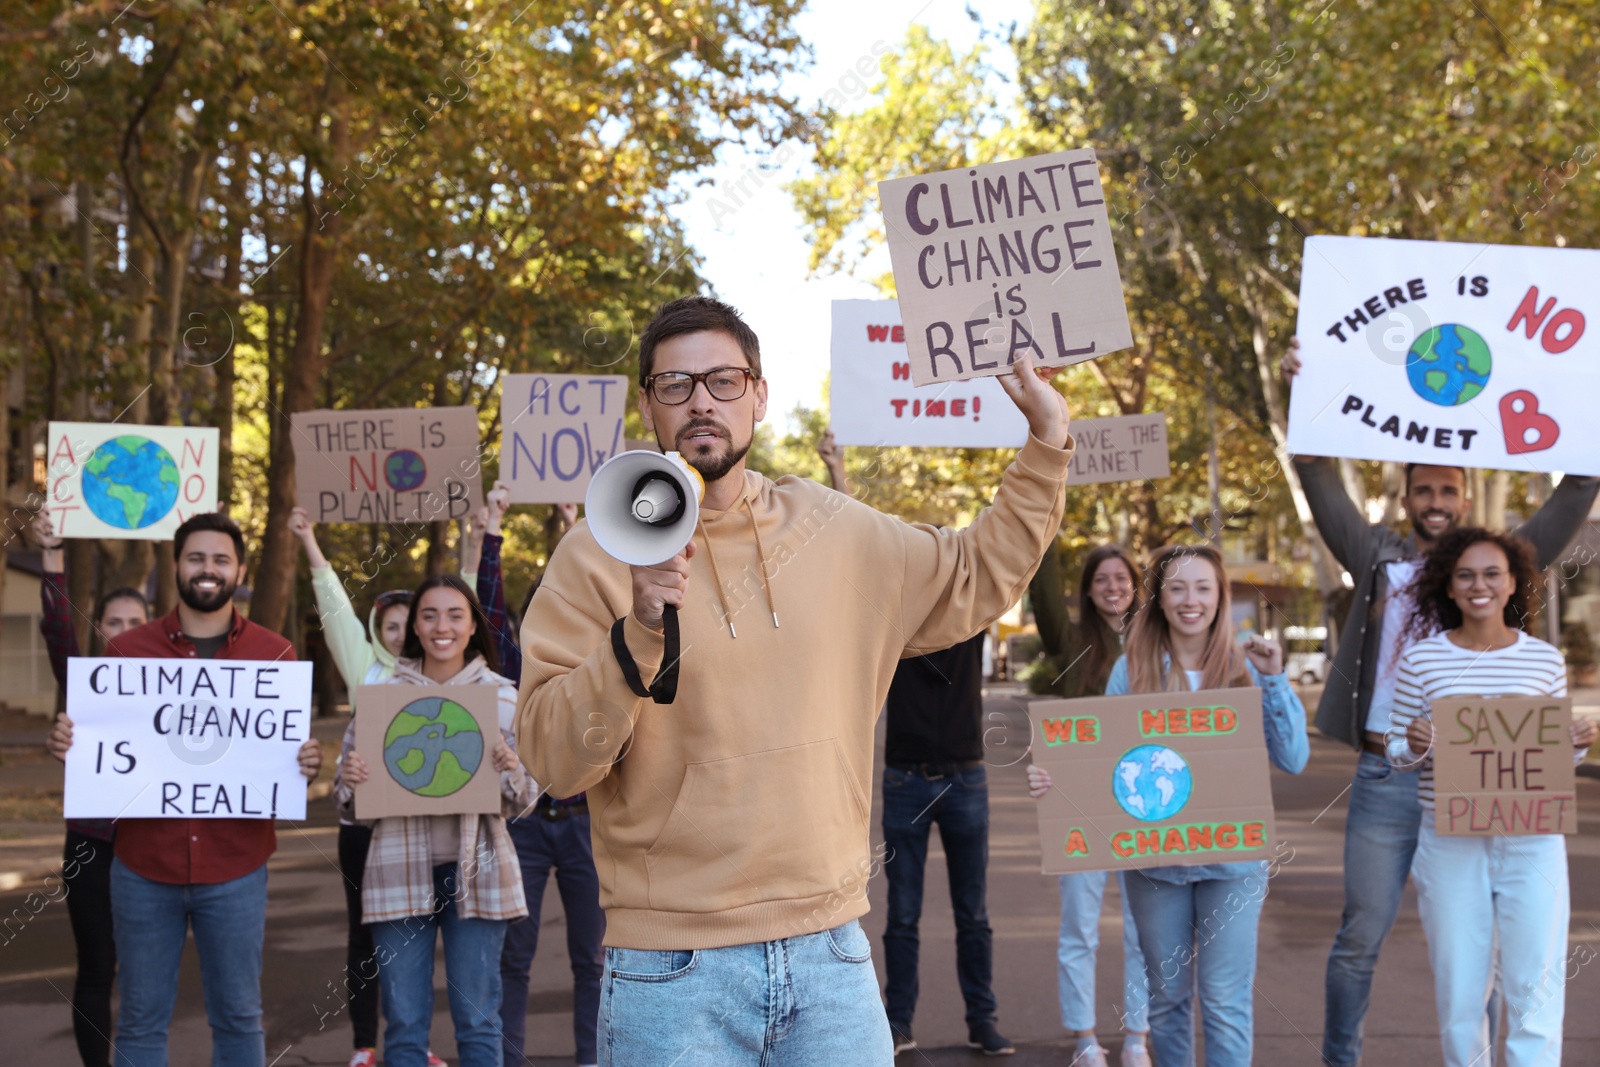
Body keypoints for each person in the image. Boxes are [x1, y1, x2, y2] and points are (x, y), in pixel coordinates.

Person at [516, 295, 1074, 1066]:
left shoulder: (835, 529)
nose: (702, 400)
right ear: (649, 405)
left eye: (723, 379)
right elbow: (555, 759)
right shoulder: (593, 554)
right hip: (668, 971)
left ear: (759, 395)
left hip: (833, 957)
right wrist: (639, 628)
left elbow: (977, 572)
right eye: (675, 385)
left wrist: (1046, 439)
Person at [1280, 337, 1600, 1066]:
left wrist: (1585, 397)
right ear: (1405, 500)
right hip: (1389, 776)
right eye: (1423, 491)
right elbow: (1317, 475)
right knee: (1361, 936)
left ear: (1465, 497)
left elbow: (1577, 489)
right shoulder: (1375, 554)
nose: (1435, 504)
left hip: (1494, 792)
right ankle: (1341, 1057)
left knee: (1485, 948)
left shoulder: (1497, 560)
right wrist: (1301, 385)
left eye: (1447, 491)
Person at [45, 512, 323, 1067]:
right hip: (143, 867)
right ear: (175, 566)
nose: (208, 570)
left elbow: (280, 757)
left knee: (240, 1018)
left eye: (220, 559)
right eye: (196, 558)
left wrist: (305, 762)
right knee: (143, 1022)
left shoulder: (276, 656)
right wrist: (71, 741)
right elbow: (103, 742)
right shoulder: (127, 653)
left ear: (239, 570)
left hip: (237, 866)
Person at [1029, 544, 1308, 1067]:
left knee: (1225, 1002)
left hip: (1233, 865)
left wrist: (1275, 680)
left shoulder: (1247, 668)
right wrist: (1055, 780)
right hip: (1156, 866)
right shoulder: (1131, 672)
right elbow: (1103, 764)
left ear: (1221, 597)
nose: (1190, 600)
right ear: (1158, 599)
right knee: (1168, 1001)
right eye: (1177, 588)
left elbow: (1293, 758)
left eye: (1203, 588)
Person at [1384, 528, 1595, 1067]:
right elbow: (1394, 751)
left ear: (1512, 584)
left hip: (1532, 839)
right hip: (1451, 840)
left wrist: (1574, 746)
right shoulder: (1421, 661)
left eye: (1492, 574)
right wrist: (1410, 741)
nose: (1479, 585)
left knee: (1537, 985)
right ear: (1449, 588)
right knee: (1460, 989)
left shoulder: (1544, 661)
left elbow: (1550, 762)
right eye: (1466, 575)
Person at [336, 573, 536, 1067]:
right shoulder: (381, 697)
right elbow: (347, 804)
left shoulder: (504, 697)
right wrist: (351, 777)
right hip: (396, 873)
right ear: (415, 629)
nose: (441, 626)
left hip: (479, 875)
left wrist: (512, 769)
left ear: (472, 627)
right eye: (429, 615)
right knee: (404, 1027)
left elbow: (528, 799)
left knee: (479, 1021)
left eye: (454, 615)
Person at [288, 506, 448, 1067]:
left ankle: (415, 1042)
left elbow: (471, 601)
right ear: (378, 633)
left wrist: (483, 534)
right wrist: (309, 542)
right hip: (363, 830)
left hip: (422, 830)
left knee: (416, 937)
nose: (403, 634)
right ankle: (364, 1046)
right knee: (365, 937)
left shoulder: (443, 679)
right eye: (390, 626)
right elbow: (334, 611)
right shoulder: (366, 673)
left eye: (414, 623)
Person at [472, 486, 604, 1067]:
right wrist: (492, 534)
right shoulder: (515, 657)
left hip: (585, 827)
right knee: (513, 960)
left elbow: (577, 581)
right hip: (523, 827)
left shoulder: (598, 656)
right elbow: (489, 605)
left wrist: (573, 527)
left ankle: (594, 1059)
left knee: (594, 962)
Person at [35, 508, 150, 1067]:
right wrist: (52, 553)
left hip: (149, 844)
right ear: (100, 628)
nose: (125, 631)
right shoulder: (85, 682)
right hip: (89, 843)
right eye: (114, 621)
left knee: (146, 973)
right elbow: (58, 627)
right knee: (96, 968)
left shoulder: (178, 687)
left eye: (137, 622)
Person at [1028, 544, 1151, 1067]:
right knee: (1079, 925)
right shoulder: (1073, 643)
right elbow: (1043, 590)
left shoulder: (1155, 641)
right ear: (1088, 588)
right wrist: (1048, 511)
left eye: (1121, 578)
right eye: (1101, 580)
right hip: (1080, 799)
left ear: (1135, 585)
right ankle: (1084, 1038)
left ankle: (1139, 1036)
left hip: (1143, 800)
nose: (1112, 587)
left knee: (1147, 926)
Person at [879, 628, 1013, 1058]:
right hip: (905, 778)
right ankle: (898, 1022)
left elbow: (1012, 570)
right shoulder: (895, 617)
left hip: (965, 778)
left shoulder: (971, 619)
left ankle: (982, 1019)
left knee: (972, 912)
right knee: (902, 913)